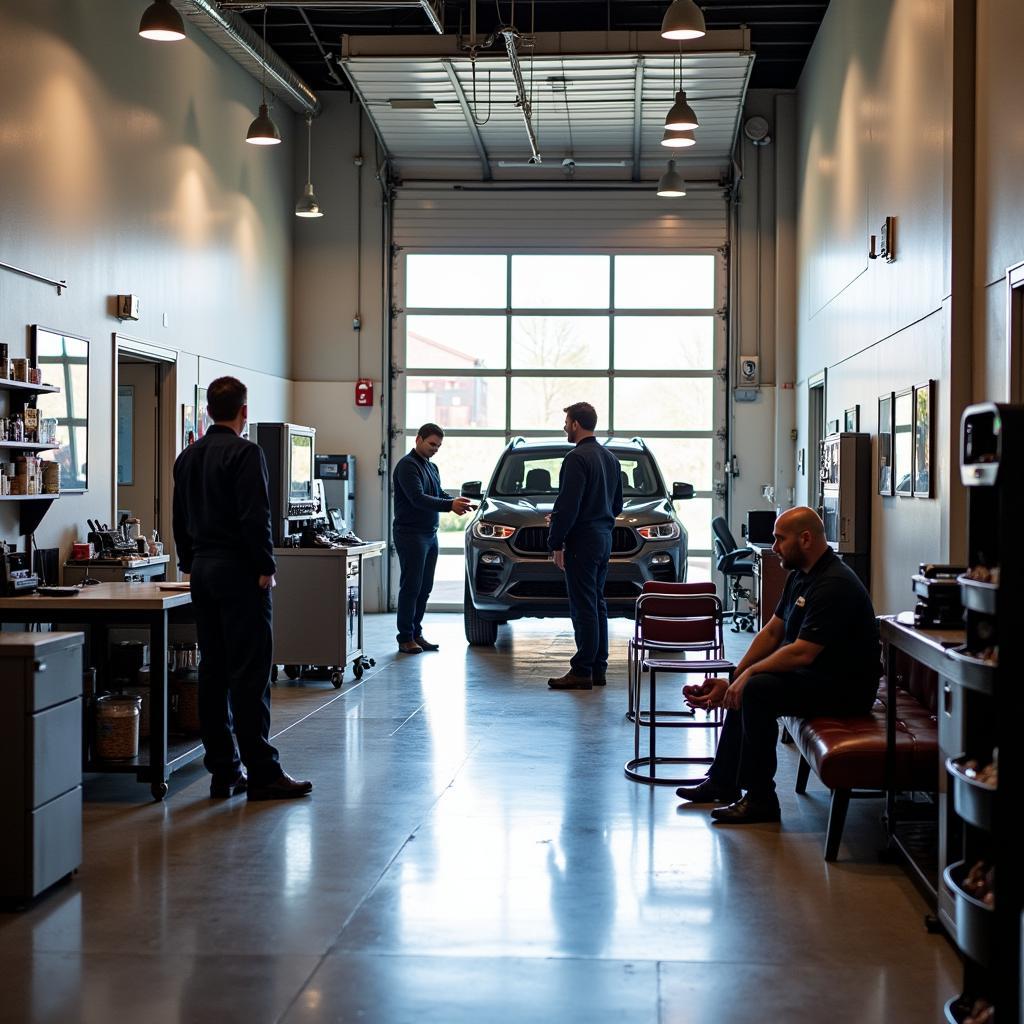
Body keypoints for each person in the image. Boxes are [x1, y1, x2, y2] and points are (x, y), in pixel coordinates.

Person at [676, 506, 879, 823]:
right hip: (819, 677)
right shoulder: (802, 575)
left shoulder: (834, 584)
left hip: (846, 688)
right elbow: (773, 631)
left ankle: (761, 800)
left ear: (806, 539)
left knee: (756, 688)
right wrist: (736, 676)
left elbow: (802, 653)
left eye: (780, 539)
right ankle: (723, 782)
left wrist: (748, 677)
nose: (773, 547)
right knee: (746, 678)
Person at [172, 376, 312, 801]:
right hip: (239, 573)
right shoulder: (246, 453)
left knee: (213, 673)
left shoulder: (187, 457)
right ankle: (263, 772)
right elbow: (256, 516)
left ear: (210, 411)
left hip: (203, 572)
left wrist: (189, 563)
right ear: (243, 412)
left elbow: (180, 520)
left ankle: (224, 771)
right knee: (250, 676)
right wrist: (265, 566)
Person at [546, 402, 623, 690]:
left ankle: (581, 671)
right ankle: (596, 669)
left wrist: (556, 541)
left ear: (576, 423)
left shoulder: (576, 458)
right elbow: (617, 504)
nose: (565, 427)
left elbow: (569, 505)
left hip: (582, 541)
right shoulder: (610, 458)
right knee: (597, 603)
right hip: (604, 538)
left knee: (583, 607)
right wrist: (597, 518)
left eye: (566, 421)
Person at [392, 423, 473, 653]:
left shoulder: (432, 467)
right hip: (411, 534)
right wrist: (450, 505)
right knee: (411, 587)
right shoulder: (407, 466)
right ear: (418, 439)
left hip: (429, 534)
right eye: (431, 444)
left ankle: (416, 633)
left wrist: (457, 500)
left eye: (438, 446)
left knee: (425, 587)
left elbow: (437, 494)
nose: (435, 449)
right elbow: (418, 498)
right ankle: (405, 637)